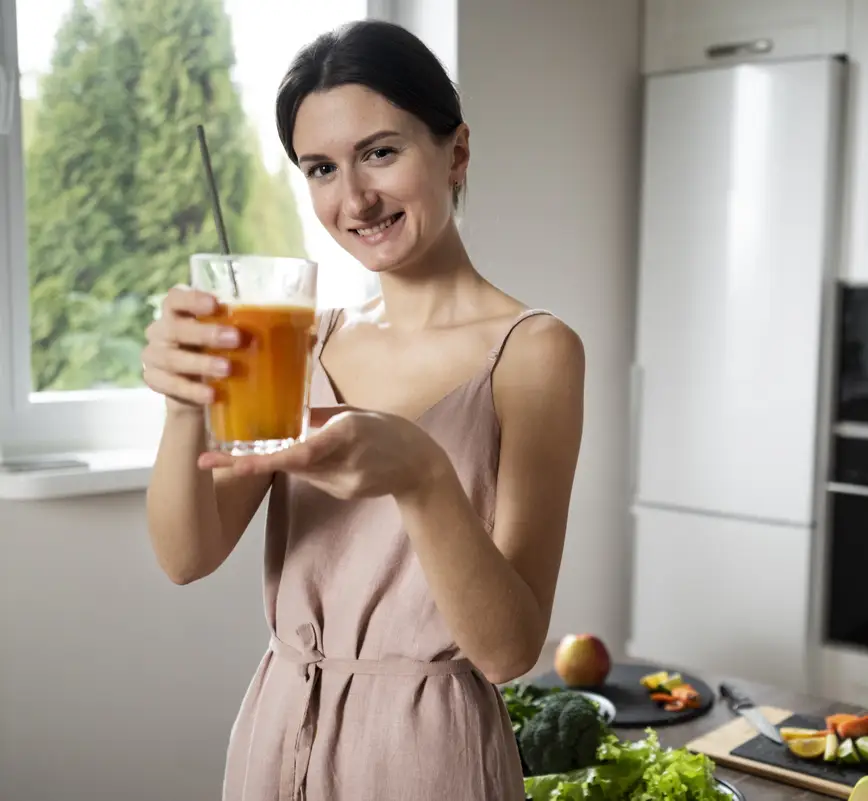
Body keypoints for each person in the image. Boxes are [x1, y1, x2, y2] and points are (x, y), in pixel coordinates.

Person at [141, 19, 585, 801]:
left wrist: (420, 475)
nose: (354, 198)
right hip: (277, 732)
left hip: (429, 752)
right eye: (320, 168)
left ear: (457, 152)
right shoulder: (299, 339)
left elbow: (509, 648)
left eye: (380, 152)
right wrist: (183, 410)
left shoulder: (533, 350)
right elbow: (187, 556)